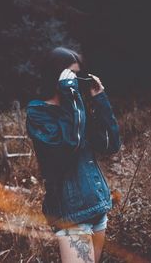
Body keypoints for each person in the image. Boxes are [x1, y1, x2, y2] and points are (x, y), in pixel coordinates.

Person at [25, 46, 122, 263]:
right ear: (55, 76)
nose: (76, 81)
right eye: (71, 75)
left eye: (79, 75)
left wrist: (100, 99)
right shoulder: (38, 113)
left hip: (98, 206)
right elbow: (69, 145)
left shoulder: (79, 108)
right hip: (71, 215)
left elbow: (111, 144)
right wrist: (71, 96)